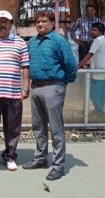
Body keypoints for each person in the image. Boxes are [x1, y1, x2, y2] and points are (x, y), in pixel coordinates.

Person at [23, 10, 77, 181]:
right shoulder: (32, 42)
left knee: (56, 128)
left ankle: (58, 166)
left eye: (44, 21)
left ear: (53, 23)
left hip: (53, 87)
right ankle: (40, 159)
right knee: (38, 127)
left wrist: (62, 83)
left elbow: (70, 65)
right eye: (37, 22)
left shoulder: (59, 41)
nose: (40, 24)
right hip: (36, 87)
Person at [0, 10, 30, 171]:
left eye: (6, 22)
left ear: (11, 24)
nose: (2, 25)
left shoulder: (20, 42)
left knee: (12, 127)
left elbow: (25, 66)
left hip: (12, 93)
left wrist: (26, 88)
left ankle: (10, 156)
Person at [78, 22, 105, 116]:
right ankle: (99, 110)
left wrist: (78, 65)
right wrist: (88, 63)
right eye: (92, 29)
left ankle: (100, 112)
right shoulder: (102, 39)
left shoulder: (98, 40)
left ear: (101, 32)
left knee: (94, 94)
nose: (92, 31)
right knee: (100, 93)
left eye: (95, 30)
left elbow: (90, 54)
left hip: (100, 72)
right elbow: (96, 55)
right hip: (102, 71)